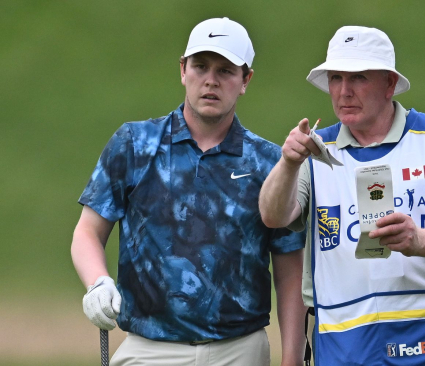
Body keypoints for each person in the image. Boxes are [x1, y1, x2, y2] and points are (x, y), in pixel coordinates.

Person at [71, 17, 307, 366]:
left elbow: (290, 271)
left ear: (246, 80)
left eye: (226, 70)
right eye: (200, 66)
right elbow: (87, 231)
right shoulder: (135, 144)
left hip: (240, 349)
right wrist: (98, 282)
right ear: (183, 70)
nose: (210, 80)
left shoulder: (270, 162)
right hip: (149, 347)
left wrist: (292, 359)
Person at [259, 25, 425, 365]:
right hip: (343, 347)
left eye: (358, 78)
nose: (344, 91)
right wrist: (288, 163)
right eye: (336, 78)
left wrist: (419, 239)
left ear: (390, 84)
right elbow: (273, 215)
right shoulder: (314, 151)